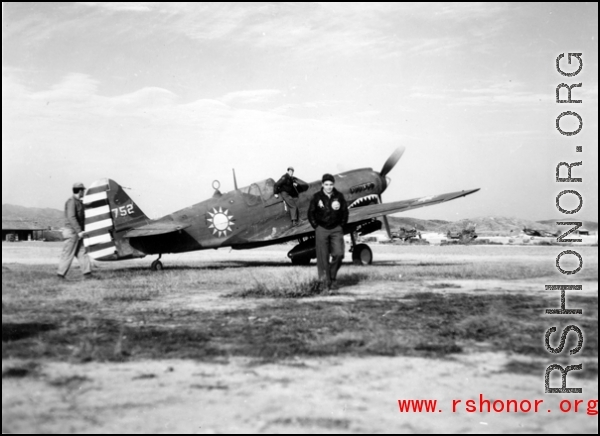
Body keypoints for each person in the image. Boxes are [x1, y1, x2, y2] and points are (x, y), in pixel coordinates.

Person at [307, 173, 348, 291]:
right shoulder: (316, 197)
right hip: (322, 229)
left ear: (333, 184)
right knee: (322, 257)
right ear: (322, 185)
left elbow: (345, 212)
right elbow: (311, 213)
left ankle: (332, 277)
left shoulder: (339, 196)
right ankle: (324, 283)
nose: (329, 187)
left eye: (331, 184)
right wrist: (316, 226)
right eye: (326, 184)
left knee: (339, 254)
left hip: (336, 229)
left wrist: (341, 225)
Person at [57, 182, 93, 279]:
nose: (84, 192)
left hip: (77, 233)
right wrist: (79, 231)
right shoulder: (71, 202)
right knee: (68, 254)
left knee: (82, 253)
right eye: (83, 190)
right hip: (72, 232)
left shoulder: (78, 202)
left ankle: (88, 275)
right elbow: (71, 217)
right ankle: (60, 275)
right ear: (80, 191)